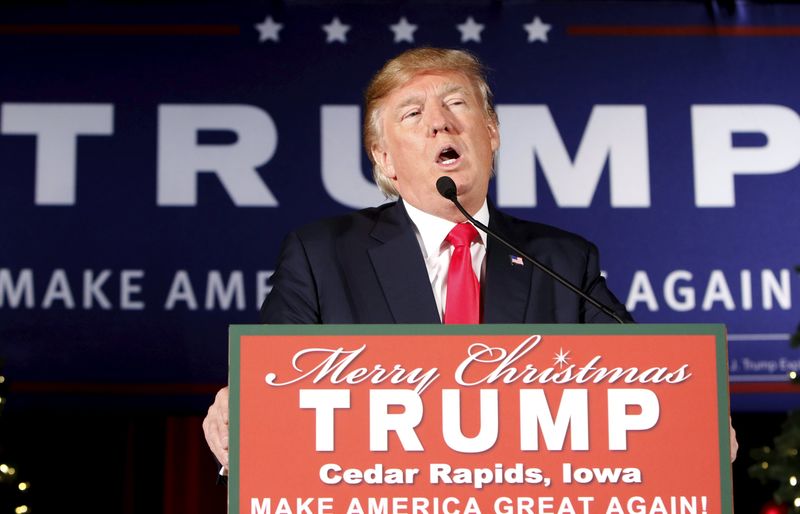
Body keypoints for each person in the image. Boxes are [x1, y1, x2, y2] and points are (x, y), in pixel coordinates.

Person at [203, 47, 734, 471]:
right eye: (413, 114)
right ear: (384, 158)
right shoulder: (322, 255)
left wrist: (691, 413)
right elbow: (273, 383)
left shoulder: (563, 259)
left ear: (492, 132)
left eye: (457, 105)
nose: (440, 124)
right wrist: (240, 397)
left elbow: (640, 374)